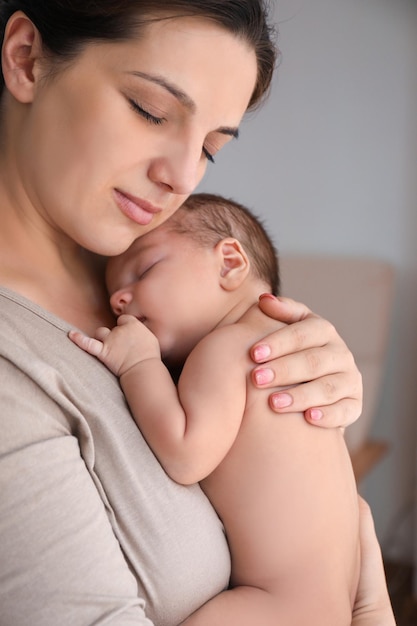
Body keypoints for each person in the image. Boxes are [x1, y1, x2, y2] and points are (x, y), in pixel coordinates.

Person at [0, 1, 392, 624]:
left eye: (211, 147)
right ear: (26, 58)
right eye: (151, 111)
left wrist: (319, 377)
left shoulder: (162, 291)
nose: (182, 175)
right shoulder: (17, 366)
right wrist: (370, 609)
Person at [70, 192, 362, 623]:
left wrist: (139, 363)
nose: (119, 301)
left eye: (145, 270)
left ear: (229, 262)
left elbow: (186, 455)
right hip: (332, 599)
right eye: (115, 292)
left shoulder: (227, 346)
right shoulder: (276, 340)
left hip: (271, 604)